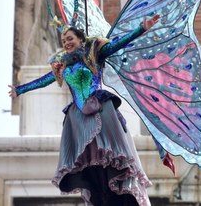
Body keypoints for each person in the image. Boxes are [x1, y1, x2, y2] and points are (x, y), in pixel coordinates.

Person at [9, 15, 160, 206]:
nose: (67, 43)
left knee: (109, 155)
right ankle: (100, 190)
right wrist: (20, 90)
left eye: (70, 39)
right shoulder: (62, 65)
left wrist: (141, 29)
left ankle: (117, 188)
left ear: (80, 39)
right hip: (78, 117)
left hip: (100, 107)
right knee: (89, 161)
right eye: (64, 41)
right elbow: (44, 81)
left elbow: (118, 44)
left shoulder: (94, 53)